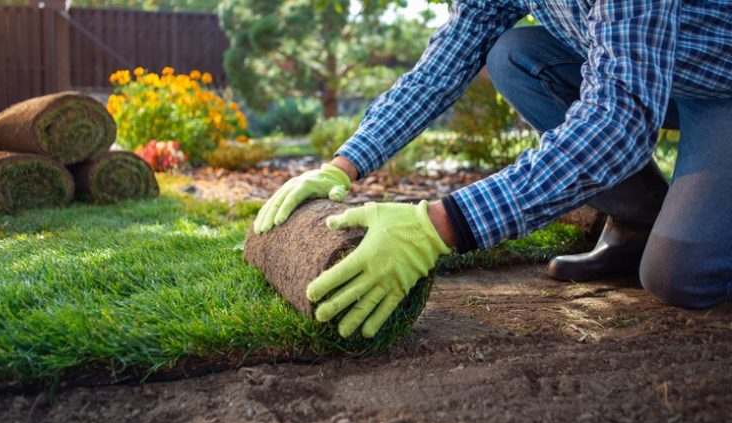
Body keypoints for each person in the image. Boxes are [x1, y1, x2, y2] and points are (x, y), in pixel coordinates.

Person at [254, 0, 732, 338]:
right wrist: (343, 165)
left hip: (721, 86)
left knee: (681, 278)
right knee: (514, 54)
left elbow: (618, 122)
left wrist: (439, 225)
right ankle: (639, 219)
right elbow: (443, 63)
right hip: (659, 71)